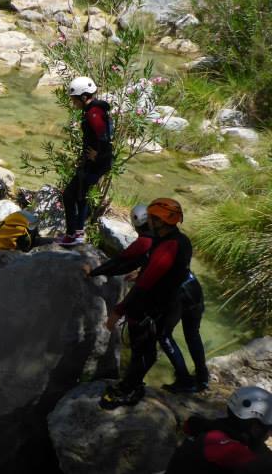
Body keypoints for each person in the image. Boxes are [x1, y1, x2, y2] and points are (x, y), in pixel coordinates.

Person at [88, 204, 209, 394]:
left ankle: (183, 380)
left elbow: (127, 267)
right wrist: (142, 271)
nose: (150, 221)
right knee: (192, 334)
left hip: (177, 296)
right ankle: (202, 377)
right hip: (193, 289)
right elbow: (169, 269)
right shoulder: (181, 240)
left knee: (163, 336)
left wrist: (118, 309)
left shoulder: (156, 243)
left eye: (153, 218)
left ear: (158, 222)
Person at [58, 76, 114, 246]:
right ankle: (79, 233)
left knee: (69, 195)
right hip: (99, 162)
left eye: (74, 100)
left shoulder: (93, 112)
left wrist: (96, 155)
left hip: (96, 163)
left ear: (83, 97)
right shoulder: (97, 109)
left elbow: (103, 136)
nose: (73, 103)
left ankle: (71, 235)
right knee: (80, 194)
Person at [165, 386, 272, 473]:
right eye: (269, 428)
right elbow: (260, 466)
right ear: (255, 427)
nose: (270, 434)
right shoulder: (225, 446)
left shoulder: (217, 427)